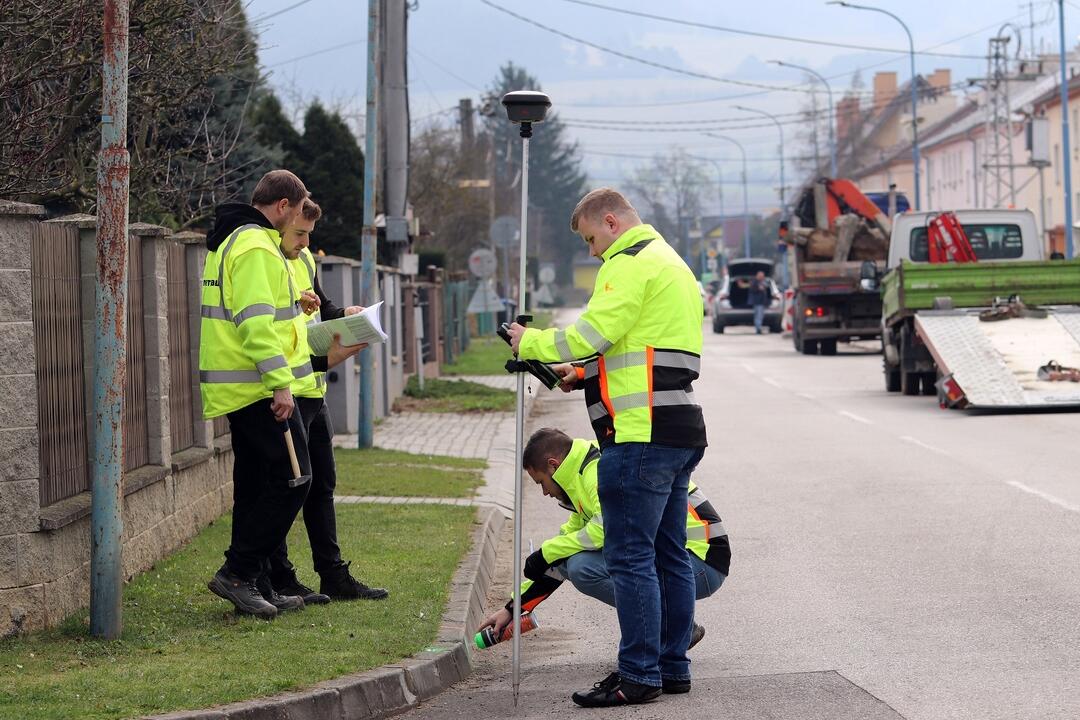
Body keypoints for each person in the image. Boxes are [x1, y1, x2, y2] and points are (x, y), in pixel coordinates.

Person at [507, 188, 707, 707]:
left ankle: (637, 675)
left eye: (591, 239)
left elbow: (590, 334)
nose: (592, 252)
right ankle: (671, 667)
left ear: (612, 222)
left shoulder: (627, 263)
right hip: (679, 427)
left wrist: (528, 342)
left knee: (629, 558)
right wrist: (586, 375)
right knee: (669, 554)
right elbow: (636, 347)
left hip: (637, 435)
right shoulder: (672, 263)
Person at [478, 428, 729, 666]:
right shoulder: (582, 472)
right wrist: (514, 607)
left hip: (700, 562)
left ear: (554, 465)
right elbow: (563, 554)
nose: (544, 492)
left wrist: (547, 553)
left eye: (541, 482)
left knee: (582, 568)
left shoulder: (597, 469)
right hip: (684, 559)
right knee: (575, 561)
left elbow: (603, 530)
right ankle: (674, 626)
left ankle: (670, 629)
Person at [199, 169, 315, 619]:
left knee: (255, 485)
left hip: (239, 385)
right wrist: (280, 383)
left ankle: (259, 581)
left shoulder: (233, 240)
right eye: (298, 212)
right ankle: (239, 573)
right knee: (295, 478)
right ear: (283, 207)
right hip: (255, 387)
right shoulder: (255, 245)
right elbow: (254, 323)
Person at [266, 198, 389, 603]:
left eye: (308, 236)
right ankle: (278, 576)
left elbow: (320, 308)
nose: (303, 243)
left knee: (321, 485)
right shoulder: (266, 259)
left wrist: (345, 313)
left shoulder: (303, 261)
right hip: (285, 391)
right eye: (299, 233)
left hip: (313, 389)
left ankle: (332, 575)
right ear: (282, 218)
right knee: (288, 488)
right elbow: (266, 322)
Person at [748, 270, 769, 334]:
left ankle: (758, 328)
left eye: (763, 276)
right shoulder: (754, 282)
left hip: (762, 302)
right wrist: (759, 288)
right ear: (758, 276)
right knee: (758, 316)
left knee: (760, 316)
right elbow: (752, 289)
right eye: (761, 276)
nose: (762, 277)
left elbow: (766, 287)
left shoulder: (763, 282)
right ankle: (758, 329)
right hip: (757, 302)